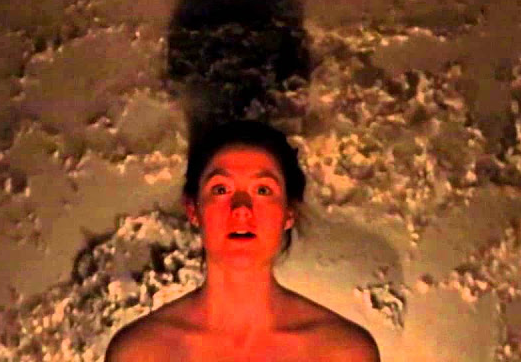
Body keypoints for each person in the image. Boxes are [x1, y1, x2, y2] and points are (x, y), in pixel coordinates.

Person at [105, 121, 380, 361]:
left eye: (263, 190)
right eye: (221, 189)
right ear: (193, 209)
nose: (241, 209)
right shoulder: (141, 352)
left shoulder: (342, 352)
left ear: (288, 212)